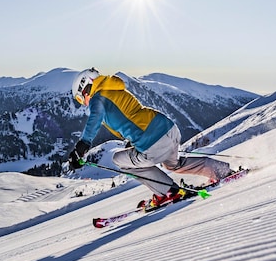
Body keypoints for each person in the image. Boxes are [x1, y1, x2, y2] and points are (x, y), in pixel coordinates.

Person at [67, 68, 234, 208]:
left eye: (80, 98)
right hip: (169, 129)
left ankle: (168, 191)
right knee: (174, 165)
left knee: (118, 160)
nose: (84, 103)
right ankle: (221, 170)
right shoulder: (113, 89)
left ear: (85, 87)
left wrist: (82, 146)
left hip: (152, 140)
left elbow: (95, 118)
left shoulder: (97, 97)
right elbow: (128, 116)